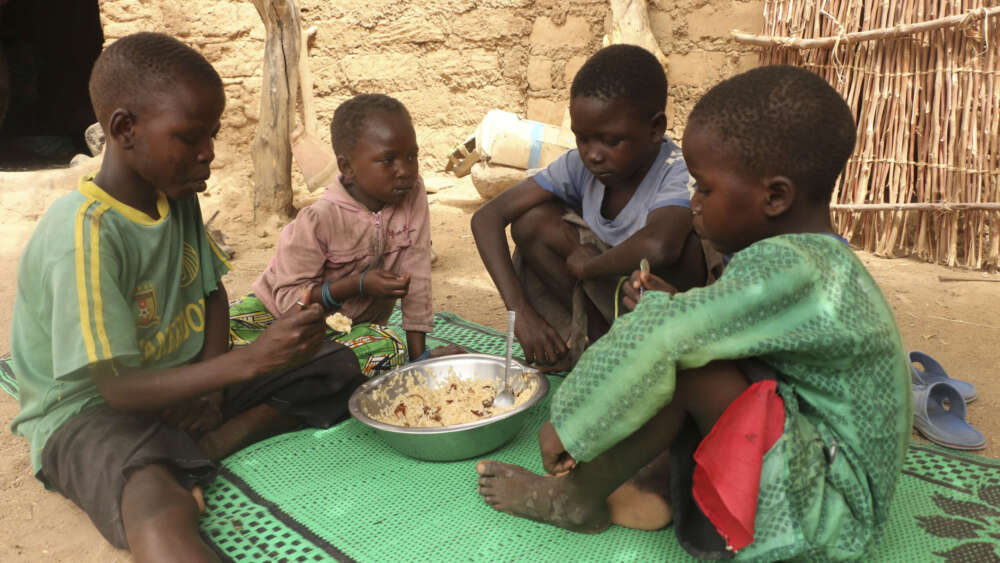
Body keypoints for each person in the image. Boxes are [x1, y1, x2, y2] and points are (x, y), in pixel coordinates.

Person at [476, 65, 911, 561]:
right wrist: (677, 306)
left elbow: (670, 337)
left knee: (688, 363)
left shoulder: (793, 266)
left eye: (704, 188)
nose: (694, 201)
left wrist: (570, 425)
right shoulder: (813, 259)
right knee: (695, 349)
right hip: (831, 486)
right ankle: (658, 487)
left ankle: (573, 498)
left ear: (775, 196)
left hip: (830, 522)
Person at [9, 32, 364, 562]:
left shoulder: (174, 198)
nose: (208, 154)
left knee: (331, 365)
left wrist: (211, 387)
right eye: (190, 137)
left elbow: (211, 295)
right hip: (89, 411)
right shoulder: (83, 234)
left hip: (184, 379)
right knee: (152, 497)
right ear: (124, 129)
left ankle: (209, 443)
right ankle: (172, 468)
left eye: (213, 135)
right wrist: (246, 364)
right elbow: (117, 391)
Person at [471, 44, 721, 371]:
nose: (593, 154)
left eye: (611, 140)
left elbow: (659, 246)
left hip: (662, 304)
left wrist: (590, 266)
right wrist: (519, 313)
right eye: (582, 139)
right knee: (532, 222)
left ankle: (663, 362)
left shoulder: (677, 169)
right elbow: (487, 217)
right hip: (608, 299)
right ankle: (603, 347)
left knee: (688, 246)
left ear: (655, 129)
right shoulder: (579, 165)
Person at [242, 93, 459, 372]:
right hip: (277, 317)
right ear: (347, 167)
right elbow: (287, 302)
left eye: (411, 156)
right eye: (388, 160)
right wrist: (358, 284)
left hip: (349, 333)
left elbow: (416, 277)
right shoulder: (319, 219)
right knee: (221, 348)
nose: (405, 170)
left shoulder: (412, 193)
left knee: (387, 349)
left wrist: (419, 359)